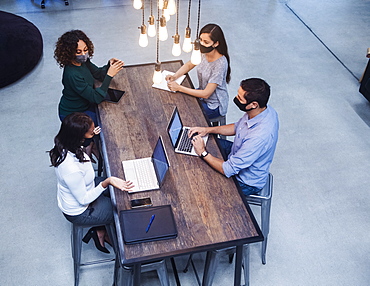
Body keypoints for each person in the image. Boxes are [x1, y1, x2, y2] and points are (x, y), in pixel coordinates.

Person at [49, 113, 133, 253]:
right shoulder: (70, 169)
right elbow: (83, 199)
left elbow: (84, 158)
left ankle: (100, 228)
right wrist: (107, 182)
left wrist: (91, 136)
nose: (93, 134)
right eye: (89, 133)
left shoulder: (66, 144)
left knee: (122, 186)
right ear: (79, 137)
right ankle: (103, 231)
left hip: (87, 185)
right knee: (125, 206)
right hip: (82, 210)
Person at [189, 78, 279, 196]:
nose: (236, 98)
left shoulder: (259, 137)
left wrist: (203, 152)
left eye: (240, 98)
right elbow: (237, 127)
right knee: (200, 142)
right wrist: (208, 130)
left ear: (253, 104)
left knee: (201, 183)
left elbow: (228, 169)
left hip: (245, 181)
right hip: (237, 152)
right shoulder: (263, 111)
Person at [54, 29, 124, 125]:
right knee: (107, 121)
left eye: (85, 50)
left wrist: (109, 65)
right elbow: (96, 98)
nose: (83, 54)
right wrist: (109, 75)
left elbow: (98, 74)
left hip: (85, 104)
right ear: (69, 53)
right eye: (78, 52)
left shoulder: (84, 62)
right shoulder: (72, 74)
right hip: (73, 114)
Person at [166, 23, 231, 119]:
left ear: (216, 43)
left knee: (183, 113)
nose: (202, 44)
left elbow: (206, 94)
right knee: (175, 101)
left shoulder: (220, 64)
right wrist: (175, 76)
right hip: (201, 94)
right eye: (200, 40)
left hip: (214, 105)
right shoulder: (204, 52)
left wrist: (179, 88)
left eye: (206, 42)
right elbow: (189, 64)